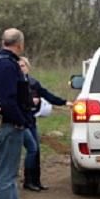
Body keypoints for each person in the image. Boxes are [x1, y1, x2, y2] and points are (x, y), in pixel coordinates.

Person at [0, 29, 34, 199]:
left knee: (10, 175)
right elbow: (8, 99)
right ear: (20, 44)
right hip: (8, 126)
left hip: (7, 124)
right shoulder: (6, 65)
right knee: (6, 175)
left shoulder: (1, 62)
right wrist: (21, 121)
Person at [19, 57, 72, 191]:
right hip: (20, 121)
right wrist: (32, 102)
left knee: (35, 150)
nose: (21, 68)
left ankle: (35, 181)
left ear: (28, 67)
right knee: (32, 149)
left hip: (31, 121)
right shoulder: (14, 83)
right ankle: (28, 181)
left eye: (23, 65)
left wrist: (65, 102)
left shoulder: (33, 83)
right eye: (18, 66)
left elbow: (47, 95)